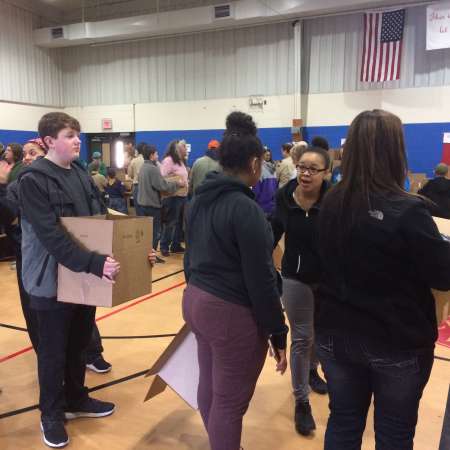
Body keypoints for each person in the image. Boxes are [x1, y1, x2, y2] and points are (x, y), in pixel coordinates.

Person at [317, 109, 450, 450]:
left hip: (336, 334)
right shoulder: (408, 210)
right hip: (395, 340)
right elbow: (443, 275)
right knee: (393, 433)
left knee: (344, 422)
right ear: (395, 151)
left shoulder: (331, 201)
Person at [183, 111, 288, 450]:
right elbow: (261, 278)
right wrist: (278, 330)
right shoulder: (246, 209)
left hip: (195, 300)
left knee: (211, 386)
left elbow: (189, 257)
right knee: (229, 402)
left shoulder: (199, 199)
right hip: (229, 312)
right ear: (255, 163)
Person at [18, 112, 120, 448]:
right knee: (52, 352)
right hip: (50, 281)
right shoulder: (33, 180)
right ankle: (51, 413)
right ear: (49, 141)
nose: (77, 140)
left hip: (82, 279)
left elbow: (99, 219)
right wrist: (95, 263)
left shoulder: (79, 173)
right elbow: (53, 237)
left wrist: (133, 250)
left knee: (79, 344)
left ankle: (77, 398)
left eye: (77, 134)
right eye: (69, 134)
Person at [272, 143, 330, 437]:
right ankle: (301, 401)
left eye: (313, 169)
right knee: (302, 336)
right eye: (302, 167)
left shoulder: (335, 200)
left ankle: (311, 370)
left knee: (319, 335)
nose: (305, 173)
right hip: (294, 277)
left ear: (326, 172)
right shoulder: (284, 196)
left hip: (327, 278)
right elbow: (273, 231)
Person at [138, 144, 183, 263]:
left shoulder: (143, 167)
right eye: (157, 153)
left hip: (142, 205)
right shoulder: (153, 169)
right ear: (152, 155)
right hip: (152, 206)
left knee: (147, 233)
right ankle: (151, 256)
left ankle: (145, 255)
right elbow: (162, 186)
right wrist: (177, 184)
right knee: (155, 233)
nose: (158, 156)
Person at [159, 140, 188, 257]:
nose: (185, 149)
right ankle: (164, 246)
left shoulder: (180, 161)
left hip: (182, 196)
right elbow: (162, 178)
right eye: (183, 147)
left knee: (180, 222)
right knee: (171, 222)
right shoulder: (168, 160)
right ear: (177, 149)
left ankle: (175, 245)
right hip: (172, 197)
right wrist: (177, 182)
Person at [253, 146, 278, 218]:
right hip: (272, 207)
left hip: (262, 208)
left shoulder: (258, 170)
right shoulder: (274, 168)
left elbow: (256, 192)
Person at [128, 142, 146, 216]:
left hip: (137, 186)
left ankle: (139, 226)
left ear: (137, 150)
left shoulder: (133, 161)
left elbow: (130, 175)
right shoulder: (147, 160)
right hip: (146, 186)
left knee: (138, 209)